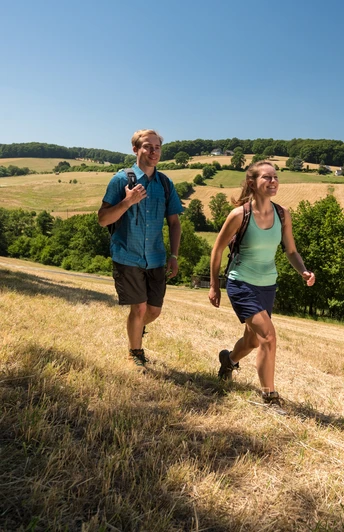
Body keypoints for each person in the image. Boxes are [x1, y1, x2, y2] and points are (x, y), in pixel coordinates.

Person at [208, 161, 315, 412]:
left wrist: (303, 270)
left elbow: (291, 251)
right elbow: (217, 249)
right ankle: (270, 397)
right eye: (267, 177)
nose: (273, 181)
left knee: (253, 341)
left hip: (268, 286)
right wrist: (214, 285)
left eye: (275, 177)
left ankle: (229, 360)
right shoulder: (239, 215)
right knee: (268, 337)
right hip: (241, 282)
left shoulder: (282, 214)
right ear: (252, 183)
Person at [98, 129, 183, 371]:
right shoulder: (120, 181)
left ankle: (135, 328)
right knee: (140, 307)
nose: (153, 151)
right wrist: (128, 201)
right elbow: (103, 219)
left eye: (157, 147)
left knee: (153, 311)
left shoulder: (165, 184)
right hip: (127, 255)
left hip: (156, 257)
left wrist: (174, 255)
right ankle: (135, 352)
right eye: (147, 146)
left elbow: (175, 223)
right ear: (136, 149)